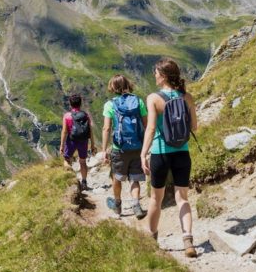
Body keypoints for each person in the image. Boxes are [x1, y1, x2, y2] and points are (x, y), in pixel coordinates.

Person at [141, 58, 198, 258]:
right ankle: (188, 240)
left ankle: (151, 238)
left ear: (163, 75)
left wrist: (143, 153)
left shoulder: (154, 98)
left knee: (156, 198)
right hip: (183, 153)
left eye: (156, 72)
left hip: (160, 153)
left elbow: (150, 128)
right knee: (182, 198)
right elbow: (194, 127)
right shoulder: (187, 97)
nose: (154, 75)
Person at [102, 74, 148, 219]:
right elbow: (146, 125)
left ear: (113, 88)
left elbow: (106, 128)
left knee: (117, 177)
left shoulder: (110, 104)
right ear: (128, 84)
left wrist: (104, 150)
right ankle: (136, 205)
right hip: (137, 146)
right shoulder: (138, 102)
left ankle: (117, 205)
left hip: (119, 148)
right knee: (134, 178)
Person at [60, 94, 96, 190]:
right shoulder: (85, 115)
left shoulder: (67, 116)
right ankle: (84, 182)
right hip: (83, 141)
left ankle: (71, 180)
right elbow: (90, 130)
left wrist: (62, 145)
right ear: (80, 104)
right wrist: (92, 144)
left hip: (71, 141)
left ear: (70, 104)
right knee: (83, 162)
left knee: (67, 160)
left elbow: (64, 131)